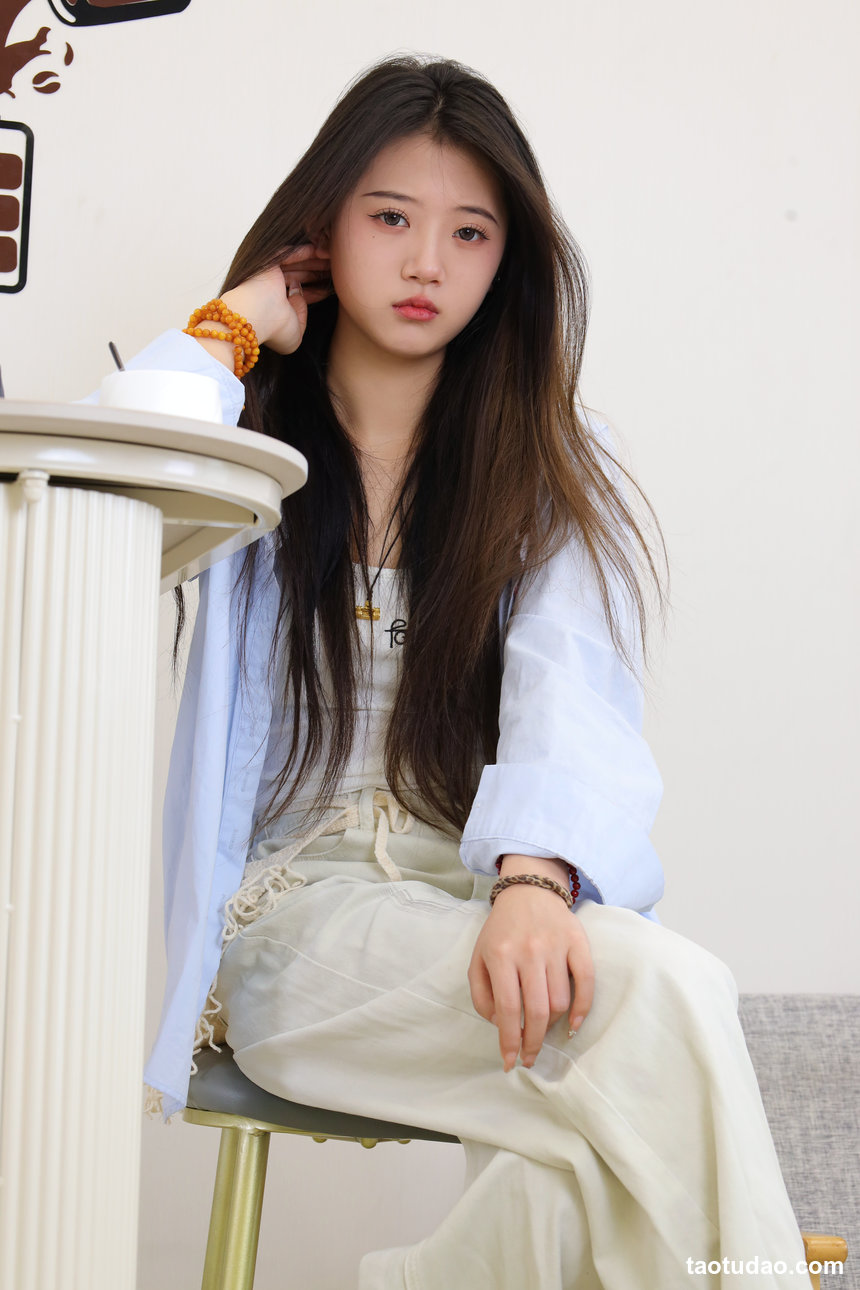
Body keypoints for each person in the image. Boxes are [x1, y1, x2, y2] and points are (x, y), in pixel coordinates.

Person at [129, 53, 808, 1289]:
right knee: (664, 995)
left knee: (579, 1176)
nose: (426, 263)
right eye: (390, 217)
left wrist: (535, 880)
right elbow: (94, 492)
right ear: (323, 228)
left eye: (469, 232)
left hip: (487, 902)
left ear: (507, 261)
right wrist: (232, 324)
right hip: (294, 922)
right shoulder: (238, 430)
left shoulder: (545, 453)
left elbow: (571, 688)